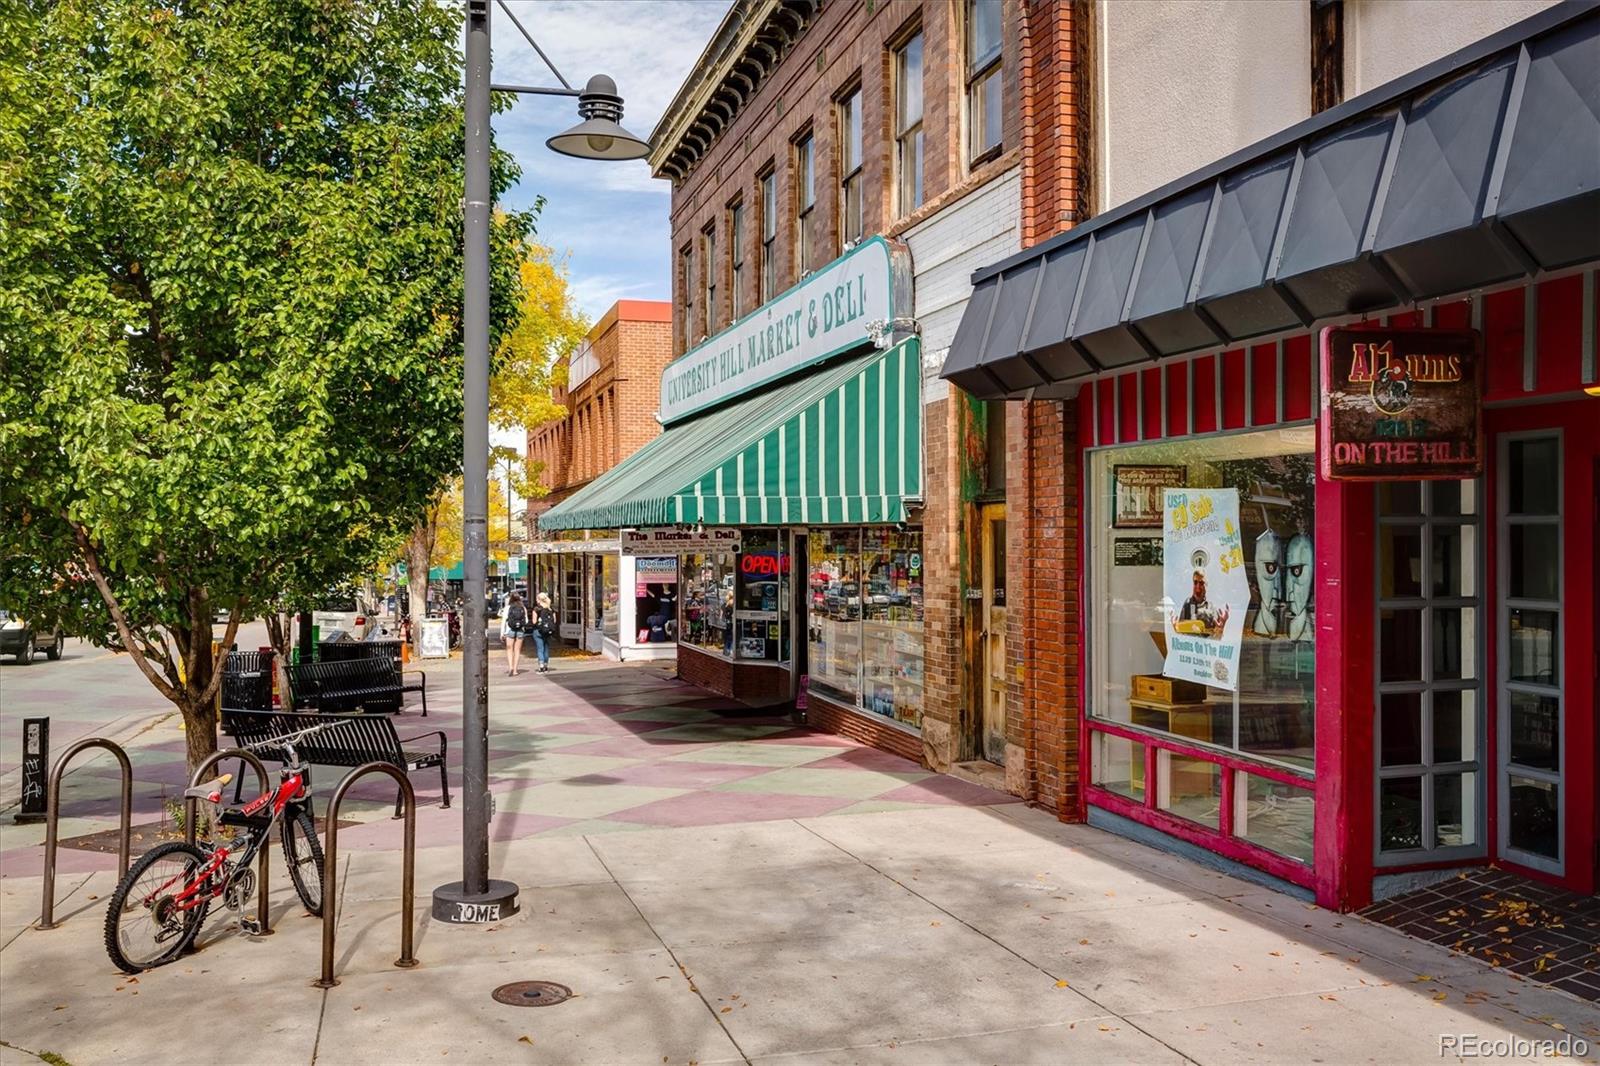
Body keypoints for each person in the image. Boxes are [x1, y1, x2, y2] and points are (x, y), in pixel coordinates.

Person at [502, 591, 528, 676]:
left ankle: (510, 667)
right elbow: (526, 621)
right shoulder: (523, 608)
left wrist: (502, 633)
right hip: (520, 630)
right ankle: (516, 670)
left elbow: (504, 621)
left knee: (509, 649)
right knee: (517, 650)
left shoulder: (507, 608)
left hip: (510, 630)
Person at [531, 591, 556, 673]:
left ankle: (541, 666)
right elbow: (554, 621)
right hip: (548, 631)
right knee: (546, 648)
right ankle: (546, 666)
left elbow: (534, 622)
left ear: (539, 599)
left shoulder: (536, 609)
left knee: (540, 648)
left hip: (538, 631)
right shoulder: (551, 609)